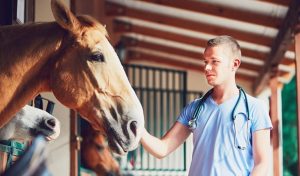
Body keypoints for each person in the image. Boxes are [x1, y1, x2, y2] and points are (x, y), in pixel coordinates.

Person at [141, 35, 273, 175]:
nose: (207, 67)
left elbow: (262, 163)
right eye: (205, 62)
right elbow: (162, 149)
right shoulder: (194, 109)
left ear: (235, 64)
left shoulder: (255, 108)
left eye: (214, 61)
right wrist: (138, 129)